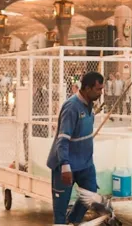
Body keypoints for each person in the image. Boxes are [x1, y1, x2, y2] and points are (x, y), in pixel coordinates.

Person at [46, 71, 104, 226]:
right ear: (86, 88)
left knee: (90, 195)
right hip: (66, 166)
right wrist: (65, 165)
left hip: (85, 164)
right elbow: (62, 140)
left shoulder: (89, 105)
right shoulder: (71, 107)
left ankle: (73, 221)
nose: (100, 93)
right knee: (60, 211)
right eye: (98, 89)